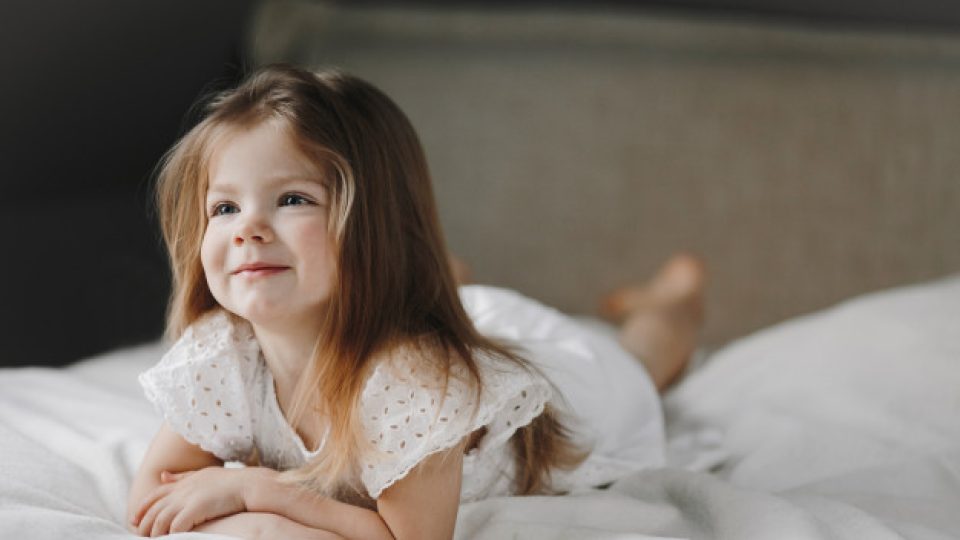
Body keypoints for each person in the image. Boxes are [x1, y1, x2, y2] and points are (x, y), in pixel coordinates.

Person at [126, 64, 706, 540]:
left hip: (571, 397)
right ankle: (436, 278)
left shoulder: (411, 382)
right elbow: (153, 498)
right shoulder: (223, 355)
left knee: (637, 361)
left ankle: (670, 303)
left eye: (293, 198)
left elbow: (408, 539)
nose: (247, 228)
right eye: (224, 208)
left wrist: (258, 490)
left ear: (375, 227)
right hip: (426, 322)